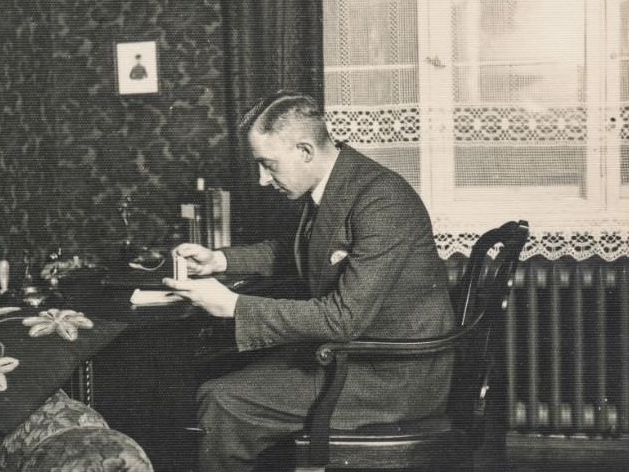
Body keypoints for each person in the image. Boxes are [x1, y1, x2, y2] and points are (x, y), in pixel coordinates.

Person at [163, 91, 456, 471]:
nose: (263, 180)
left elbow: (342, 319)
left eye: (268, 165)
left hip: (394, 375)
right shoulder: (341, 184)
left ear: (304, 151)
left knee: (223, 400)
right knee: (221, 380)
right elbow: (297, 252)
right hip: (361, 355)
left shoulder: (381, 199)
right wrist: (219, 259)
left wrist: (233, 305)